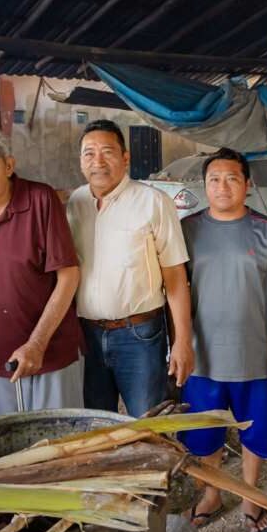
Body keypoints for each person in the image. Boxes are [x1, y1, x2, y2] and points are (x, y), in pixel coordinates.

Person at [178, 148, 267, 532]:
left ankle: (249, 496)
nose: (223, 186)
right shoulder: (187, 230)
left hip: (255, 356)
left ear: (248, 185)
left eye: (232, 178)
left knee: (256, 432)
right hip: (202, 357)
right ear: (205, 186)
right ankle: (212, 494)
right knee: (204, 434)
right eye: (214, 179)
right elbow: (173, 291)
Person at [65, 120, 194, 416]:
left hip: (139, 336)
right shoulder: (76, 202)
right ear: (81, 161)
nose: (98, 161)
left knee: (147, 424)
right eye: (89, 153)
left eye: (107, 152)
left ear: (125, 158)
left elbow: (175, 279)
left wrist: (182, 342)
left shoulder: (153, 202)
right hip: (88, 336)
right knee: (96, 425)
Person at [0, 126, 83, 420]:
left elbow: (69, 276)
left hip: (50, 355)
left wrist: (37, 344)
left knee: (56, 449)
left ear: (9, 165)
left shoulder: (40, 199)